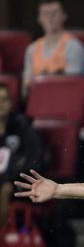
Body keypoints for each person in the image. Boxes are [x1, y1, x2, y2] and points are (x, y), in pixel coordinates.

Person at [0, 83, 45, 227]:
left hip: (16, 181)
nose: (0, 104)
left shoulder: (23, 127)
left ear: (11, 103)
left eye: (4, 100)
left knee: (6, 189)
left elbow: (35, 158)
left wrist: (13, 176)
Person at [22, 0, 84, 95]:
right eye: (46, 14)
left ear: (64, 16)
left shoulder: (73, 47)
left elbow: (74, 88)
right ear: (39, 18)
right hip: (38, 99)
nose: (50, 18)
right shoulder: (31, 49)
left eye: (54, 13)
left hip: (63, 99)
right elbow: (25, 89)